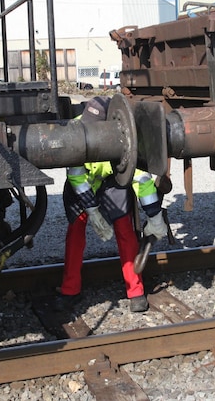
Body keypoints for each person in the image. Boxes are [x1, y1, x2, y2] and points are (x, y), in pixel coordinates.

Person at [57, 96, 167, 313]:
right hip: (84, 183)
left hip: (112, 181)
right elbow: (76, 176)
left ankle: (135, 291)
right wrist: (92, 211)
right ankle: (70, 290)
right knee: (76, 230)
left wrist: (154, 217)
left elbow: (141, 180)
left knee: (125, 230)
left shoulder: (125, 136)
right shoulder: (75, 130)